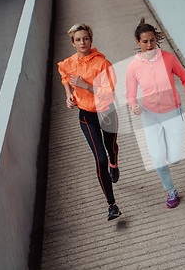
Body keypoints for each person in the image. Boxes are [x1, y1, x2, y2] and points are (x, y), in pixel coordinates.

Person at [126, 18, 185, 208]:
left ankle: (169, 146)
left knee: (175, 158)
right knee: (157, 156)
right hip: (150, 114)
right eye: (144, 41)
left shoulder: (168, 58)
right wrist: (134, 107)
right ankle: (171, 191)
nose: (149, 45)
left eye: (152, 40)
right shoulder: (133, 66)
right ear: (137, 42)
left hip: (173, 111)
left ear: (155, 39)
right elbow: (130, 95)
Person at [58, 23, 121, 221]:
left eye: (85, 38)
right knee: (99, 159)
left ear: (91, 39)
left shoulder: (103, 64)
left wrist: (86, 86)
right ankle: (112, 206)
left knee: (110, 148)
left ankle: (115, 162)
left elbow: (109, 92)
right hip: (86, 117)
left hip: (107, 112)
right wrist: (69, 96)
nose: (82, 42)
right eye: (78, 39)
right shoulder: (69, 63)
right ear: (72, 42)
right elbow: (65, 77)